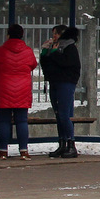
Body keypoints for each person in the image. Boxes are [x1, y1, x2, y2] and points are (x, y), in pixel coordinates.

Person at [0, 23, 38, 160]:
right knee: (21, 121)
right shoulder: (28, 51)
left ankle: (3, 151)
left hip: (4, 89)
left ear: (8, 35)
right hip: (22, 90)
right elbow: (33, 65)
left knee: (4, 121)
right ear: (22, 35)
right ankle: (24, 151)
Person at [39, 25, 81, 158]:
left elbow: (65, 63)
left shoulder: (70, 48)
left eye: (56, 34)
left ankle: (71, 143)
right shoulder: (54, 48)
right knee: (58, 114)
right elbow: (46, 64)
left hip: (65, 83)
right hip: (54, 82)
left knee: (64, 114)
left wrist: (54, 53)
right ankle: (62, 143)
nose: (53, 37)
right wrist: (45, 52)